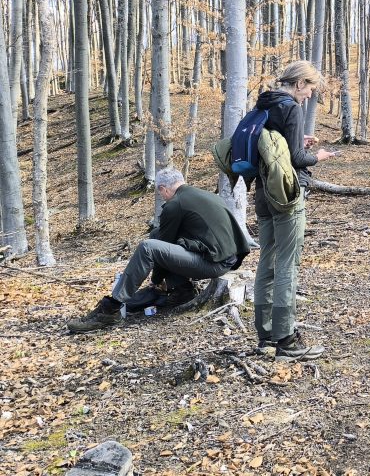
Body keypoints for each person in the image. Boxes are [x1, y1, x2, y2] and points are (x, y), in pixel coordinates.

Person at [68, 168, 251, 334]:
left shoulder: (175, 204)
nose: (162, 197)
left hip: (215, 263)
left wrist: (156, 281)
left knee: (147, 247)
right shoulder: (203, 195)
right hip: (226, 257)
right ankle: (182, 291)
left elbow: (159, 249)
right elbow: (165, 238)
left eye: (160, 193)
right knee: (156, 234)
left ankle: (111, 309)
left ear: (163, 189)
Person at [252, 60, 337, 360]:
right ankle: (286, 340)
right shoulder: (291, 108)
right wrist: (319, 156)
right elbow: (297, 159)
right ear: (299, 83)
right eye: (310, 89)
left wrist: (297, 142)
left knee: (268, 261)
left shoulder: (264, 103)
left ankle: (265, 336)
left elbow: (275, 147)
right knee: (287, 264)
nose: (310, 96)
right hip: (286, 195)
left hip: (262, 193)